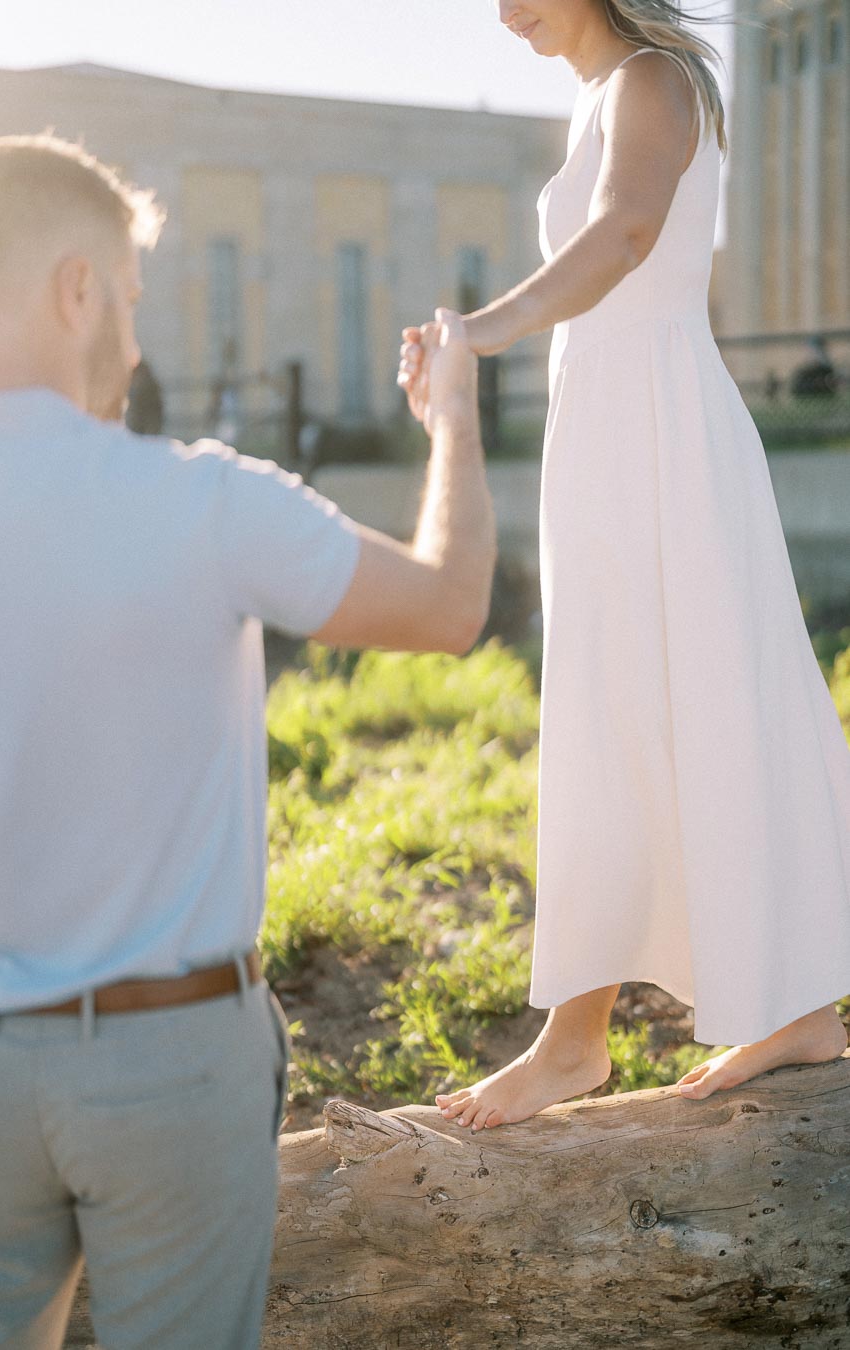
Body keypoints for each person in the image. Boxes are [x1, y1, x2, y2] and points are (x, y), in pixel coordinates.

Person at [0, 132, 495, 1349]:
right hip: (170, 1064)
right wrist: (452, 419)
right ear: (77, 286)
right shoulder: (205, 502)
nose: (136, 347)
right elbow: (452, 604)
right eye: (131, 300)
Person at [399, 0, 850, 1133]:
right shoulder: (597, 97)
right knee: (617, 710)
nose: (503, 14)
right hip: (606, 430)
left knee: (689, 698)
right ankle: (607, 1031)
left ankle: (628, 1033)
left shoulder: (654, 79)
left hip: (658, 432)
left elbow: (626, 237)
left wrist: (484, 328)